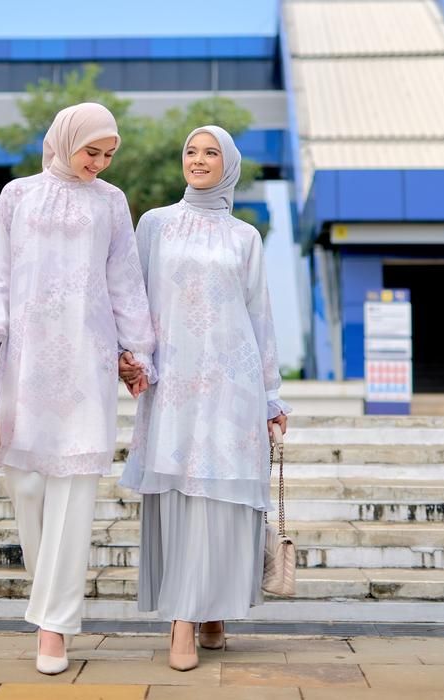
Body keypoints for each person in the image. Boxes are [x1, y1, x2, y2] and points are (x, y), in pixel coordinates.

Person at [0, 102, 156, 675]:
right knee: (25, 485)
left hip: (85, 357)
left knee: (74, 490)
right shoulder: (17, 196)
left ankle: (54, 626)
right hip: (23, 358)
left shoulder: (111, 202)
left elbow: (124, 279)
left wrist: (136, 349)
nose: (99, 162)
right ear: (64, 140)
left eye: (108, 154)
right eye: (91, 151)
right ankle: (48, 597)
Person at [119, 125, 290, 671]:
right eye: (190, 151)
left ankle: (212, 611)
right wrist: (131, 357)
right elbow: (134, 299)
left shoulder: (245, 237)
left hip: (233, 387)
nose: (197, 159)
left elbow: (260, 316)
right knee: (181, 496)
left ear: (228, 165)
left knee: (221, 499)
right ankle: (182, 621)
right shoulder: (155, 224)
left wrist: (271, 396)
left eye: (210, 152)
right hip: (173, 385)